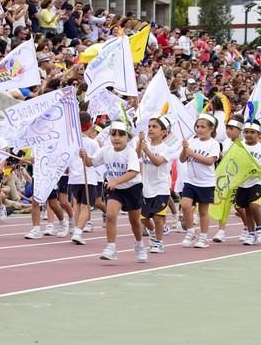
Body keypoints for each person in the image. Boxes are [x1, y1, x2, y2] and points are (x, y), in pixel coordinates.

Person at [83, 120, 146, 263]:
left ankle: (139, 244)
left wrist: (116, 181)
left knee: (135, 221)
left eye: (121, 135)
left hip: (132, 187)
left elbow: (133, 172)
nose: (116, 138)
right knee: (111, 215)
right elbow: (90, 163)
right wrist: (85, 156)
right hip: (115, 189)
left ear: (128, 138)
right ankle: (111, 248)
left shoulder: (130, 153)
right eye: (113, 134)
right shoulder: (105, 150)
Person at [179, 113, 220, 248]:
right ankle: (190, 233)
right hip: (190, 181)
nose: (199, 129)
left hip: (206, 182)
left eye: (203, 127)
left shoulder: (214, 144)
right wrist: (185, 149)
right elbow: (182, 159)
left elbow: (209, 161)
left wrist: (192, 153)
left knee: (203, 211)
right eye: (197, 126)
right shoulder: (191, 141)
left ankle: (203, 237)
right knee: (185, 205)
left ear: (211, 129)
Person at [138, 115, 175, 254]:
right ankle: (153, 232)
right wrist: (140, 143)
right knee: (144, 219)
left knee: (158, 217)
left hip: (161, 187)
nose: (151, 129)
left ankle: (158, 243)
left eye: (155, 127)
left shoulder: (166, 148)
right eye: (149, 126)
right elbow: (136, 156)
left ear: (163, 132)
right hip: (146, 187)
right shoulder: (144, 144)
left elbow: (158, 162)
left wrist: (146, 150)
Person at [212, 115, 246, 243]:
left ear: (239, 130)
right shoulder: (225, 143)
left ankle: (247, 227)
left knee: (239, 207)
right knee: (224, 204)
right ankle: (221, 230)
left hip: (240, 180)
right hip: (226, 179)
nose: (228, 131)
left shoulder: (244, 143)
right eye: (227, 128)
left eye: (231, 128)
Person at [68, 112, 100, 245]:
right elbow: (97, 160)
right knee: (86, 207)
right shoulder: (92, 143)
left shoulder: (71, 142)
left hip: (74, 178)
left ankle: (77, 229)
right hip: (88, 178)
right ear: (89, 125)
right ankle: (78, 232)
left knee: (77, 205)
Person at [238, 120, 261, 245]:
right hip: (242, 182)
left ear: (258, 134)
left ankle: (260, 228)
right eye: (246, 132)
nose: (249, 134)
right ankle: (251, 233)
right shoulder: (239, 146)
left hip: (257, 181)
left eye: (252, 132)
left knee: (253, 205)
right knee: (247, 208)